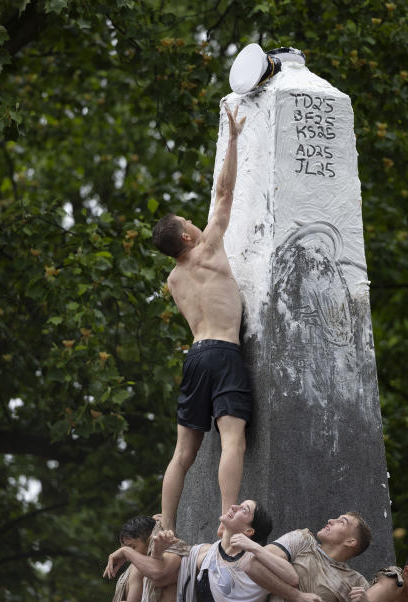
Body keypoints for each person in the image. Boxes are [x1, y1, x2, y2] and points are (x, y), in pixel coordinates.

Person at [151, 102, 251, 534]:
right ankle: (228, 520)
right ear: (189, 236)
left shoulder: (174, 280)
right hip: (225, 353)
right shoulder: (208, 248)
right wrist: (232, 138)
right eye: (189, 221)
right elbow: (224, 193)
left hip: (194, 356)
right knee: (232, 438)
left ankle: (167, 527)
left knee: (182, 452)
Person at [108, 499, 274, 602]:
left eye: (132, 548)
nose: (234, 507)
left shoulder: (258, 559)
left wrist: (298, 597)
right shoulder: (203, 553)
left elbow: (158, 573)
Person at [240, 512, 374, 602]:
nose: (330, 521)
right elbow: (252, 565)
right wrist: (296, 597)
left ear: (350, 542)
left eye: (341, 522)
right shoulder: (302, 540)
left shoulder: (355, 581)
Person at [104, 519, 191, 602]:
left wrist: (126, 551)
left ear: (150, 540)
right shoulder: (136, 571)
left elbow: (158, 572)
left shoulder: (172, 552)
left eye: (132, 547)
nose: (129, 558)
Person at [109, 515, 158, 602]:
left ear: (151, 539)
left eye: (132, 548)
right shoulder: (137, 569)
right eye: (125, 550)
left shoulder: (164, 561)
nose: (129, 555)